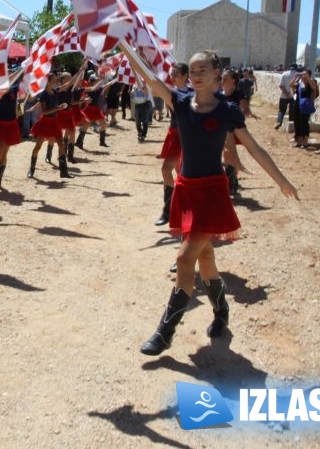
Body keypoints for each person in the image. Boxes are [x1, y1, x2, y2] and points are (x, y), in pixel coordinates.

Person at [123, 48, 298, 356]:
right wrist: (124, 45)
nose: (196, 75)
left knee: (183, 257)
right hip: (187, 191)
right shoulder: (179, 102)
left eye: (203, 69)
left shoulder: (227, 111)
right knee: (205, 260)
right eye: (193, 70)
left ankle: (165, 331)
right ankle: (221, 311)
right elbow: (150, 78)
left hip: (212, 194)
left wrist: (282, 181)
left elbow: (255, 148)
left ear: (217, 74)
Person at [155, 63, 189, 226]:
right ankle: (171, 210)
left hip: (186, 137)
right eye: (172, 73)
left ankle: (174, 210)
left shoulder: (192, 94)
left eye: (176, 73)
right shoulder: (173, 93)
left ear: (185, 76)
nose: (172, 76)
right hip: (174, 135)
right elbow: (151, 86)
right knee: (173, 171)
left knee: (177, 173)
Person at [27, 73, 73, 179]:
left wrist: (81, 69)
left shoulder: (55, 91)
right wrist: (58, 108)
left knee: (61, 145)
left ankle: (64, 172)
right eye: (54, 79)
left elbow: (68, 84)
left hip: (55, 121)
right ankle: (31, 169)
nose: (56, 80)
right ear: (48, 82)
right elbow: (44, 112)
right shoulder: (44, 94)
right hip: (45, 122)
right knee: (38, 146)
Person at [0, 69, 25, 189]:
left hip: (11, 123)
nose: (10, 77)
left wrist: (23, 100)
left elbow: (24, 98)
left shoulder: (15, 88)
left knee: (4, 152)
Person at [290, 69, 318, 149]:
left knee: (304, 123)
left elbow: (314, 87)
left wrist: (308, 78)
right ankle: (299, 141)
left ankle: (305, 141)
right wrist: (295, 77)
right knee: (297, 122)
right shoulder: (299, 84)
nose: (303, 76)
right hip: (297, 105)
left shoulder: (311, 83)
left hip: (306, 105)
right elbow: (291, 85)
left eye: (304, 74)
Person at [276, 63, 299, 129]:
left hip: (283, 96)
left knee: (281, 110)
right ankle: (290, 125)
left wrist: (286, 93)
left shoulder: (284, 74)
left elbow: (281, 85)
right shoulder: (297, 75)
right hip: (293, 96)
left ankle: (278, 122)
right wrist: (291, 94)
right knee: (292, 111)